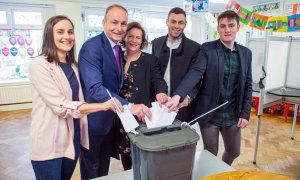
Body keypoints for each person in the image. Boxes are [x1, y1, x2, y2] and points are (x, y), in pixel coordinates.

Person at [29, 15, 124, 180]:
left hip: (73, 140)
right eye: (60, 32)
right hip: (49, 141)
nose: (66, 36)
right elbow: (61, 106)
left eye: (70, 32)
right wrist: (102, 105)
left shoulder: (73, 65)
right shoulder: (39, 64)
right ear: (49, 35)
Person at [166, 10, 252, 165]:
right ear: (217, 28)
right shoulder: (207, 49)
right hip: (209, 114)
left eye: (231, 25)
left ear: (238, 26)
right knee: (210, 153)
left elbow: (248, 84)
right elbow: (196, 71)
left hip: (233, 114)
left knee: (234, 151)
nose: (227, 30)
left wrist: (245, 113)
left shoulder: (246, 53)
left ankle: (221, 170)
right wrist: (179, 95)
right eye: (223, 26)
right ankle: (211, 173)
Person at [78, 4, 151, 179]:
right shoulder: (92, 47)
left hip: (110, 122)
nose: (119, 28)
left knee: (103, 169)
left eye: (123, 23)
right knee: (91, 169)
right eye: (114, 22)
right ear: (103, 23)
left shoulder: (117, 48)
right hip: (93, 122)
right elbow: (95, 88)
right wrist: (129, 106)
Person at [118, 22, 168, 170]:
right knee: (125, 154)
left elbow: (158, 80)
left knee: (143, 157)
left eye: (138, 37)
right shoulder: (116, 57)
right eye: (130, 36)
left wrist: (161, 91)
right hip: (122, 113)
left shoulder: (150, 59)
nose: (134, 40)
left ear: (143, 40)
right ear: (124, 37)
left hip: (142, 114)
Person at [152, 7, 201, 123]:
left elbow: (196, 78)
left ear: (185, 24)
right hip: (159, 104)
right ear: (167, 22)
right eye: (173, 21)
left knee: (184, 140)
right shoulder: (156, 43)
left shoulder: (195, 48)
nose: (177, 26)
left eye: (181, 22)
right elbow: (153, 72)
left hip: (182, 106)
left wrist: (188, 97)